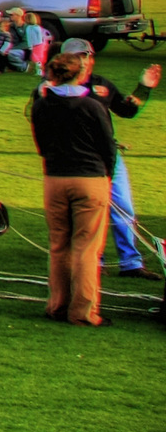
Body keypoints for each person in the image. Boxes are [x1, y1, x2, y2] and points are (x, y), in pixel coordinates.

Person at [28, 44, 135, 326]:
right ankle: (83, 312)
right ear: (80, 73)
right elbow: (107, 147)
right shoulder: (90, 105)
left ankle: (57, 305)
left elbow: (40, 144)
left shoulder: (41, 104)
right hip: (89, 179)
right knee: (86, 248)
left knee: (59, 245)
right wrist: (107, 177)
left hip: (55, 178)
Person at [55, 42, 160, 281]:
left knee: (123, 207)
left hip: (110, 156)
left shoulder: (101, 85)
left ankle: (130, 263)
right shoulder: (54, 88)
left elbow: (126, 110)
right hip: (79, 159)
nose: (84, 60)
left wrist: (143, 88)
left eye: (87, 55)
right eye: (78, 56)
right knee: (90, 211)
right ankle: (93, 261)